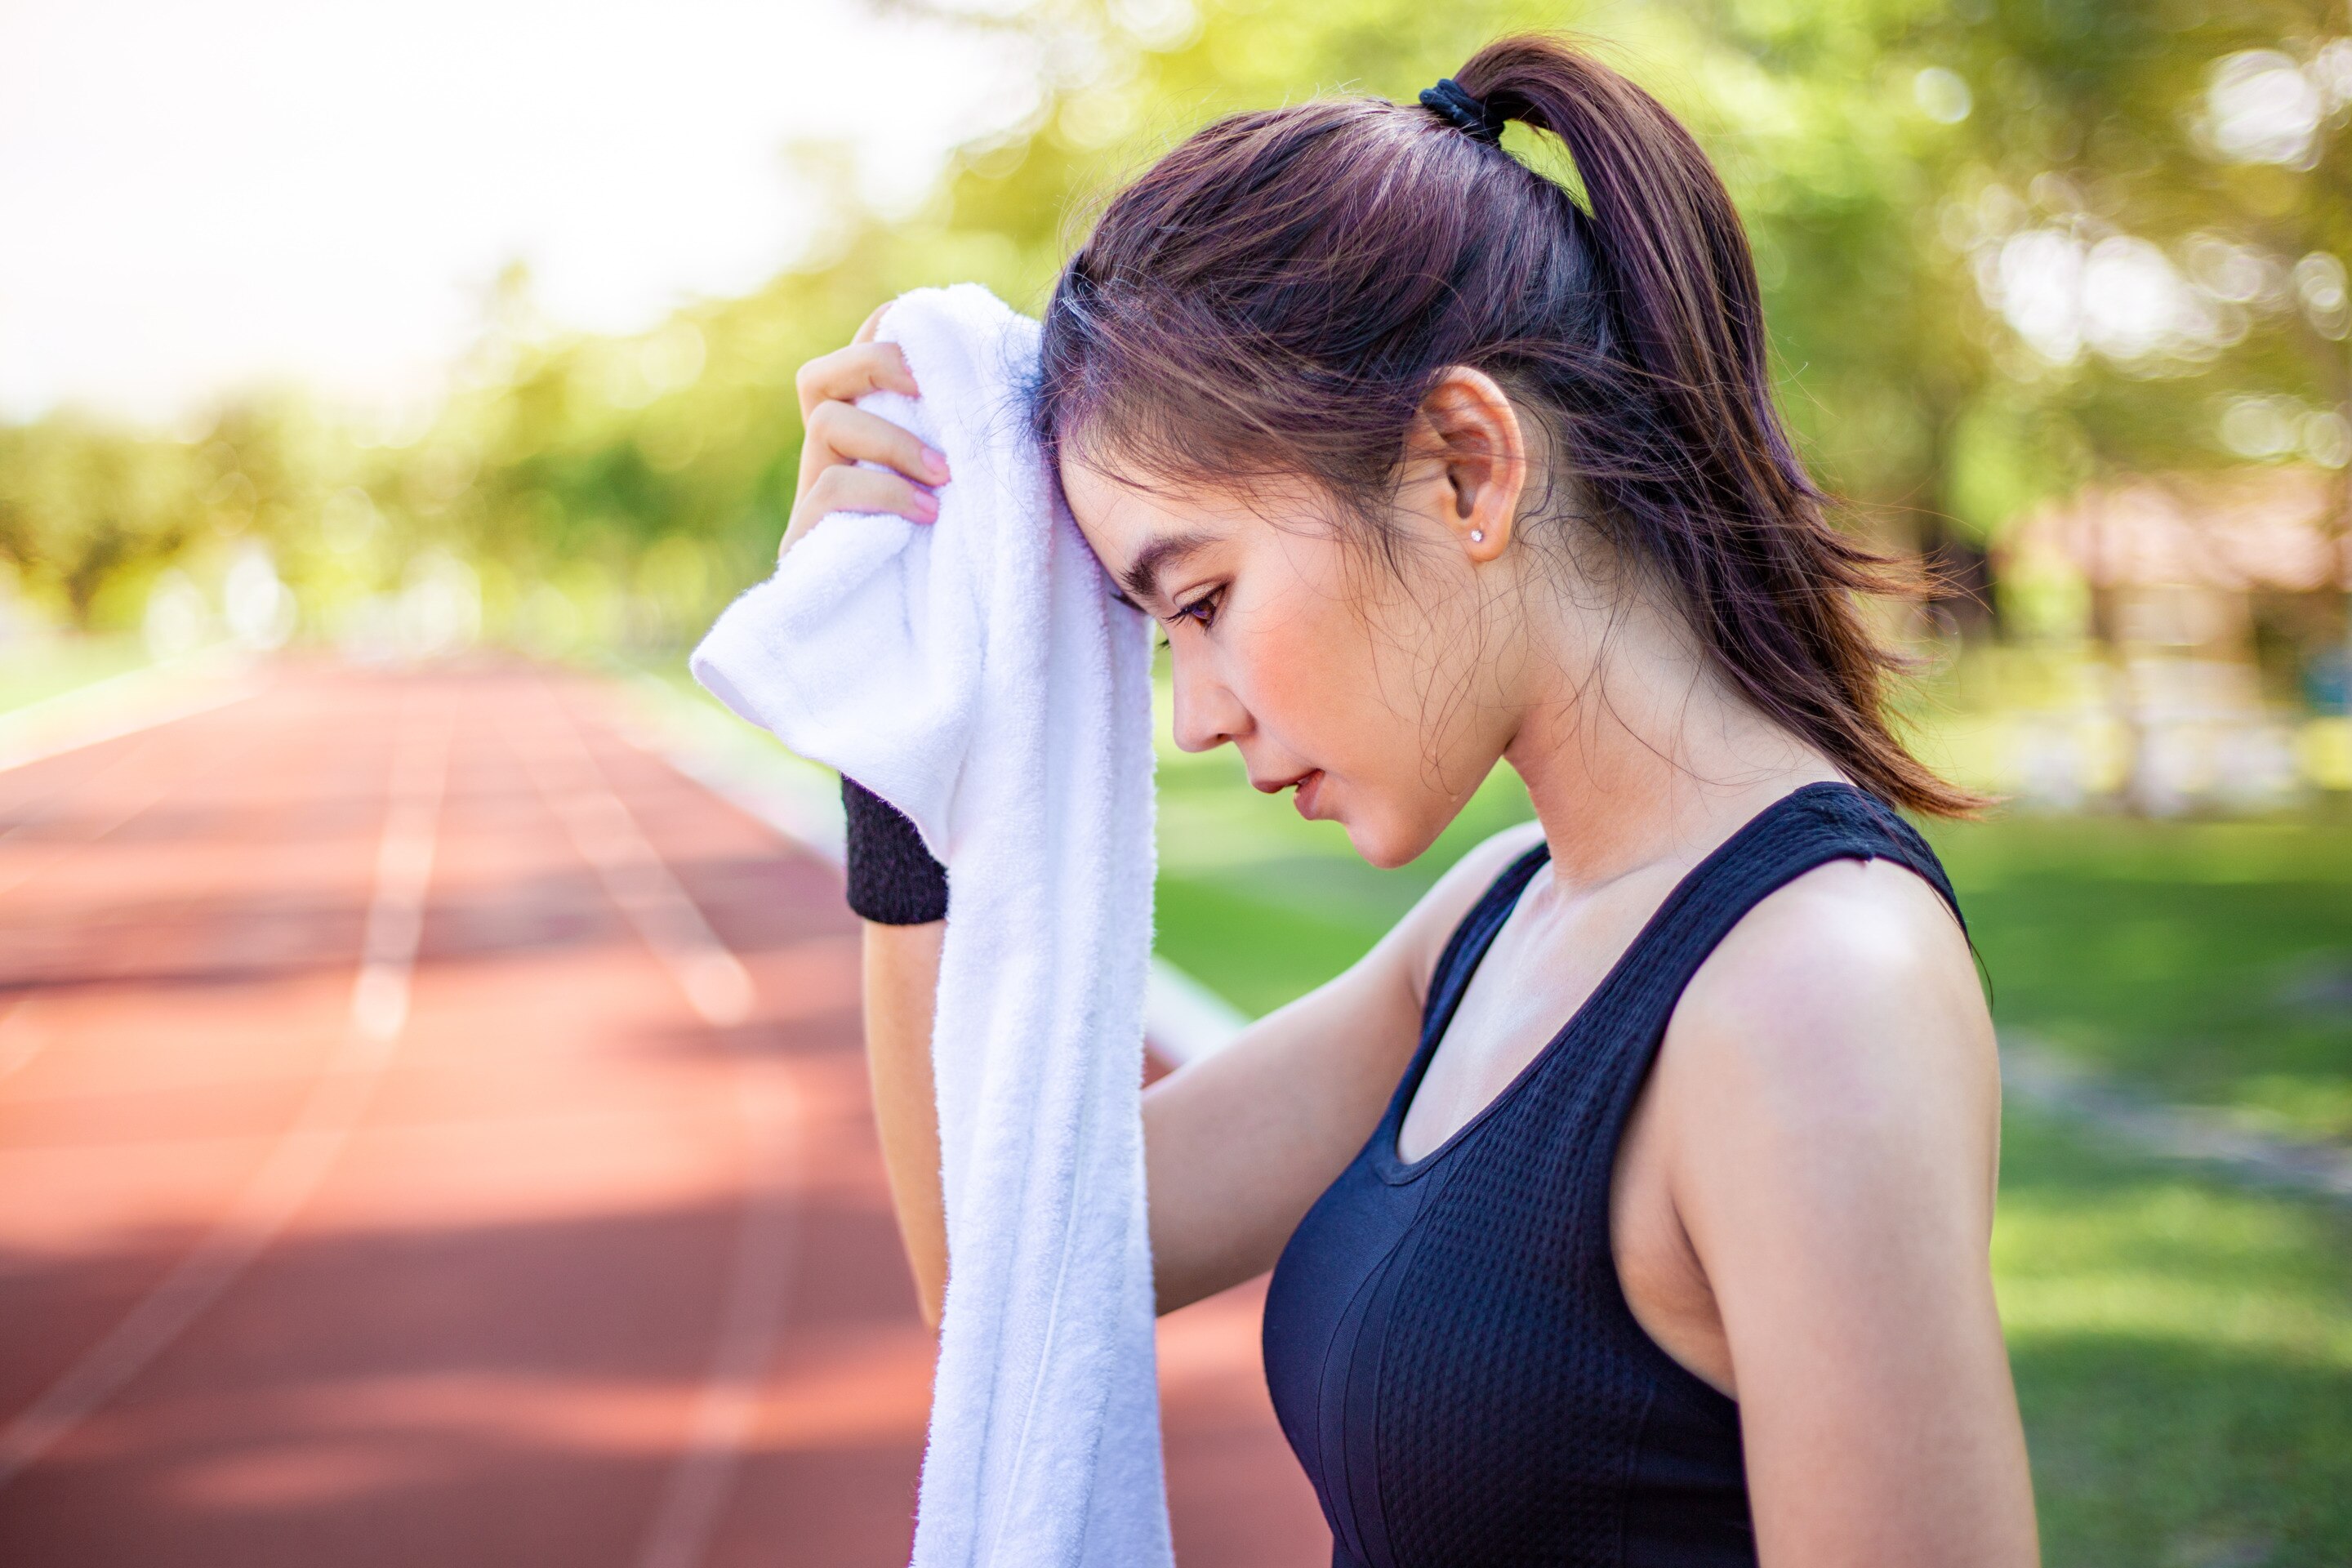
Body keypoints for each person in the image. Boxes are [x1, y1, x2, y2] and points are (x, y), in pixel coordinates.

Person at [783, 33, 2038, 1568]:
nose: (1196, 715)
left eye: (1206, 599)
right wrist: (902, 729)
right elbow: (994, 1265)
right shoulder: (1495, 925)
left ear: (1465, 467)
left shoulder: (1814, 990)